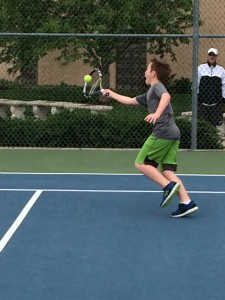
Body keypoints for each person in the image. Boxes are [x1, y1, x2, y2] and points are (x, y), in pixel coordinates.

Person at [102, 58, 198, 218]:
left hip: (162, 132)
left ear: (153, 73)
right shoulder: (150, 93)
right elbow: (131, 101)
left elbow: (166, 96)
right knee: (167, 171)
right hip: (174, 133)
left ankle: (168, 187)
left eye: (147, 69)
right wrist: (111, 93)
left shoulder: (157, 87)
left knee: (140, 163)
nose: (144, 72)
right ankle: (186, 202)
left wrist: (156, 114)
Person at [198, 48, 225, 128]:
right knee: (202, 125)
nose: (212, 57)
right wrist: (196, 95)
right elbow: (196, 83)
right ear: (208, 56)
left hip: (216, 104)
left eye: (214, 55)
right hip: (202, 103)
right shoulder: (200, 68)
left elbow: (224, 85)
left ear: (216, 56)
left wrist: (223, 97)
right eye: (210, 55)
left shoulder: (221, 70)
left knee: (215, 126)